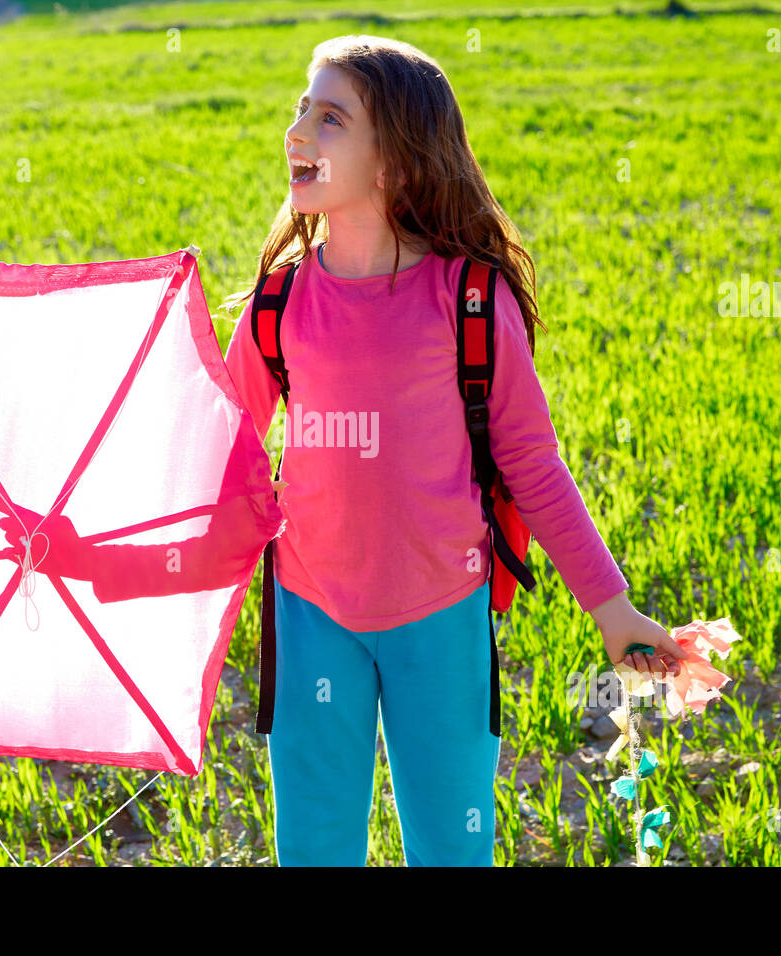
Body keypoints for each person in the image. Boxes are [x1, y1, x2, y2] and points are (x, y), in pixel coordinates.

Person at [217, 35, 687, 866]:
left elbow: (532, 465)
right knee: (315, 849)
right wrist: (87, 549)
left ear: (394, 163)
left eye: (330, 118)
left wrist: (612, 609)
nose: (298, 131)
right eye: (301, 107)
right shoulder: (278, 302)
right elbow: (213, 460)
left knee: (450, 846)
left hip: (441, 615)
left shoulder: (468, 299)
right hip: (310, 612)